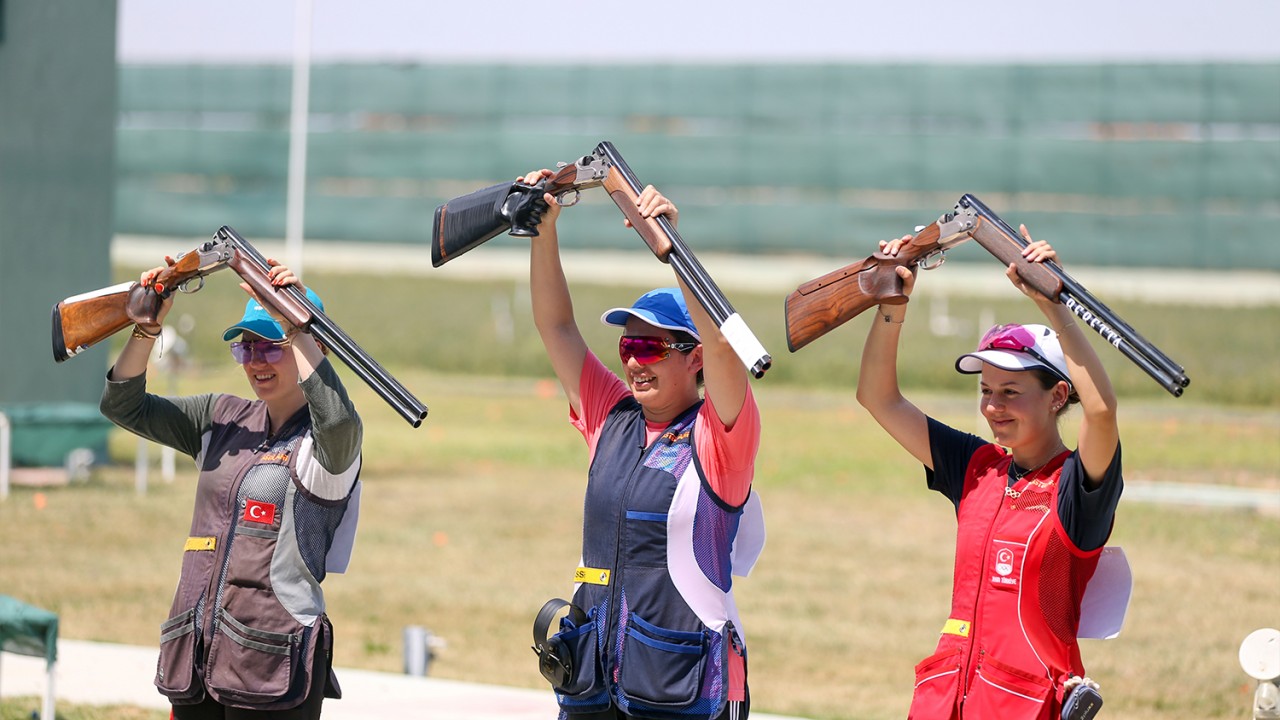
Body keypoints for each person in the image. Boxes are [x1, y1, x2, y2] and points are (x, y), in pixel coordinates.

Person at [522, 169, 765, 720]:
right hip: (591, 683)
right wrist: (543, 228)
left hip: (682, 690)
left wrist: (674, 250)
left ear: (693, 356)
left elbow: (727, 350)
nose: (633, 359)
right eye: (629, 343)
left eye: (651, 346)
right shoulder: (610, 415)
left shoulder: (718, 434)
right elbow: (557, 327)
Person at [855, 227, 1122, 719]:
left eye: (1011, 391)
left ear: (1058, 395)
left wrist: (1053, 304)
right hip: (946, 701)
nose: (993, 407)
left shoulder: (1075, 487)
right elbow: (878, 398)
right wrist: (892, 304)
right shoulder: (977, 468)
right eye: (986, 390)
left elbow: (1102, 412)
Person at [100, 260, 363, 719]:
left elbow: (338, 419)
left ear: (312, 346)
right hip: (198, 658)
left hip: (273, 665)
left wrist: (296, 326)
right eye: (246, 349)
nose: (256, 361)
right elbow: (123, 404)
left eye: (270, 346)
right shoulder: (220, 416)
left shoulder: (329, 445)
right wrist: (146, 330)